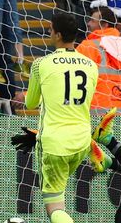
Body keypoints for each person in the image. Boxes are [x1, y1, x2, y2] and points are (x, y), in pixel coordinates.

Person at [25, 12, 99, 223]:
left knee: (54, 205)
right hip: (81, 141)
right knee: (62, 201)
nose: (48, 32)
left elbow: (30, 103)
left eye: (49, 29)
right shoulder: (91, 65)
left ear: (57, 34)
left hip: (55, 143)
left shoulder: (41, 64)